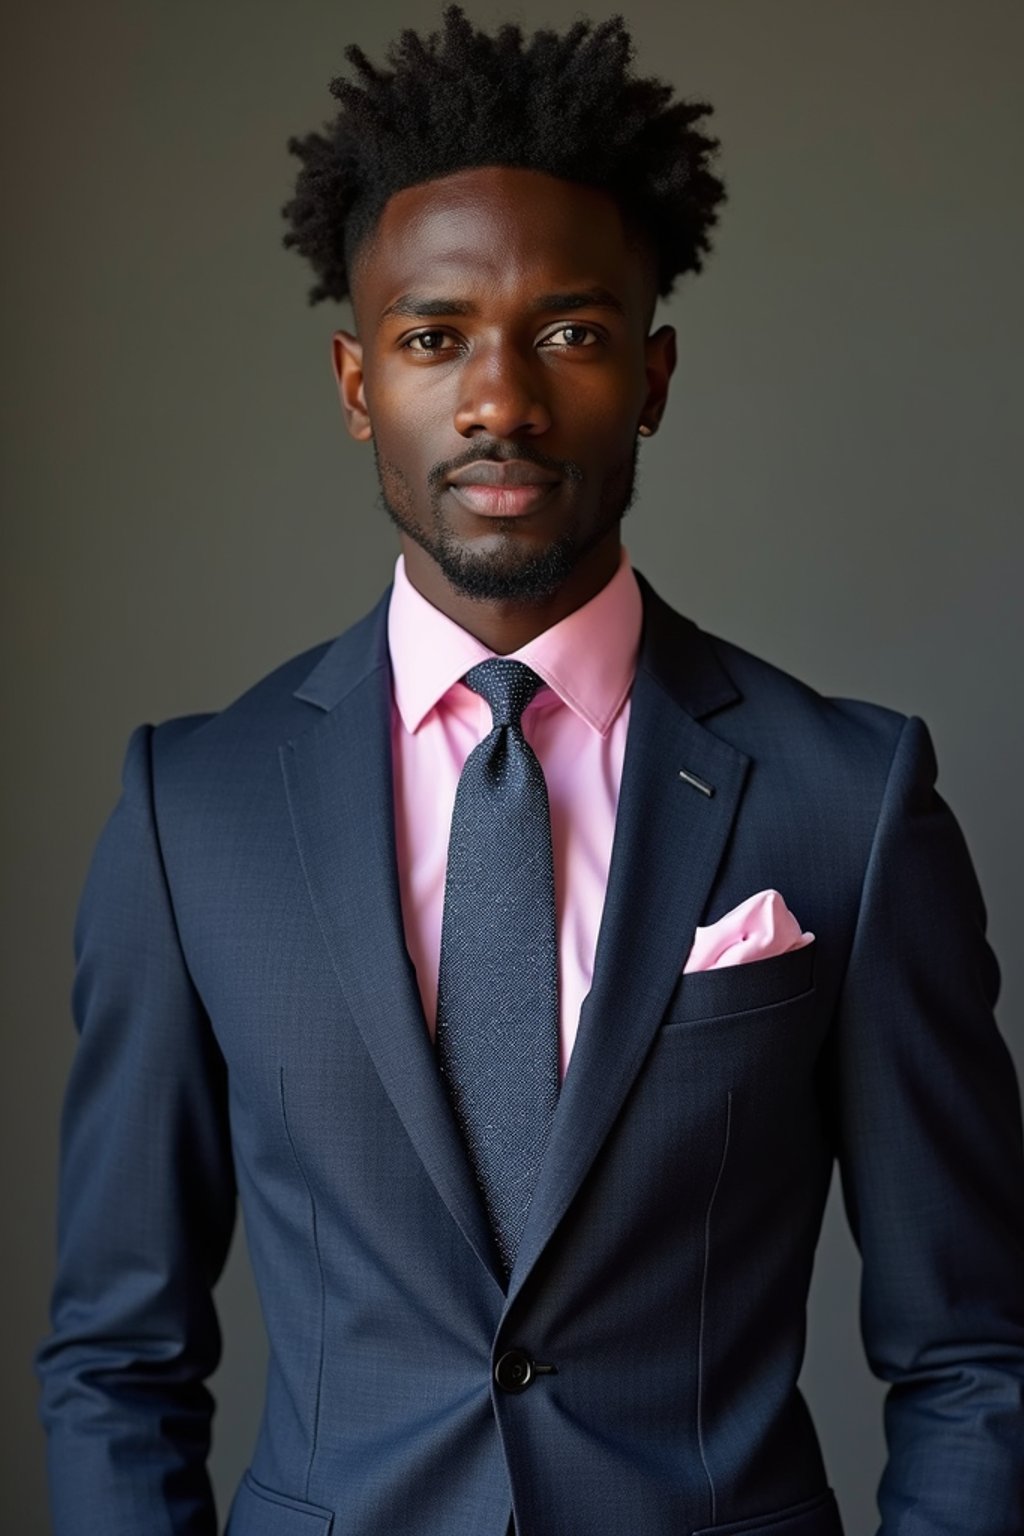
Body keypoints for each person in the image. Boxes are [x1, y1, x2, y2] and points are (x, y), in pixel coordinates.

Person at [35, 8, 1024, 1534]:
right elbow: (117, 1356)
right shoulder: (195, 816)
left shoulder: (853, 800)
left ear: (655, 373)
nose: (500, 401)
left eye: (570, 332)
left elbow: (971, 1353)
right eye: (436, 340)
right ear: (360, 383)